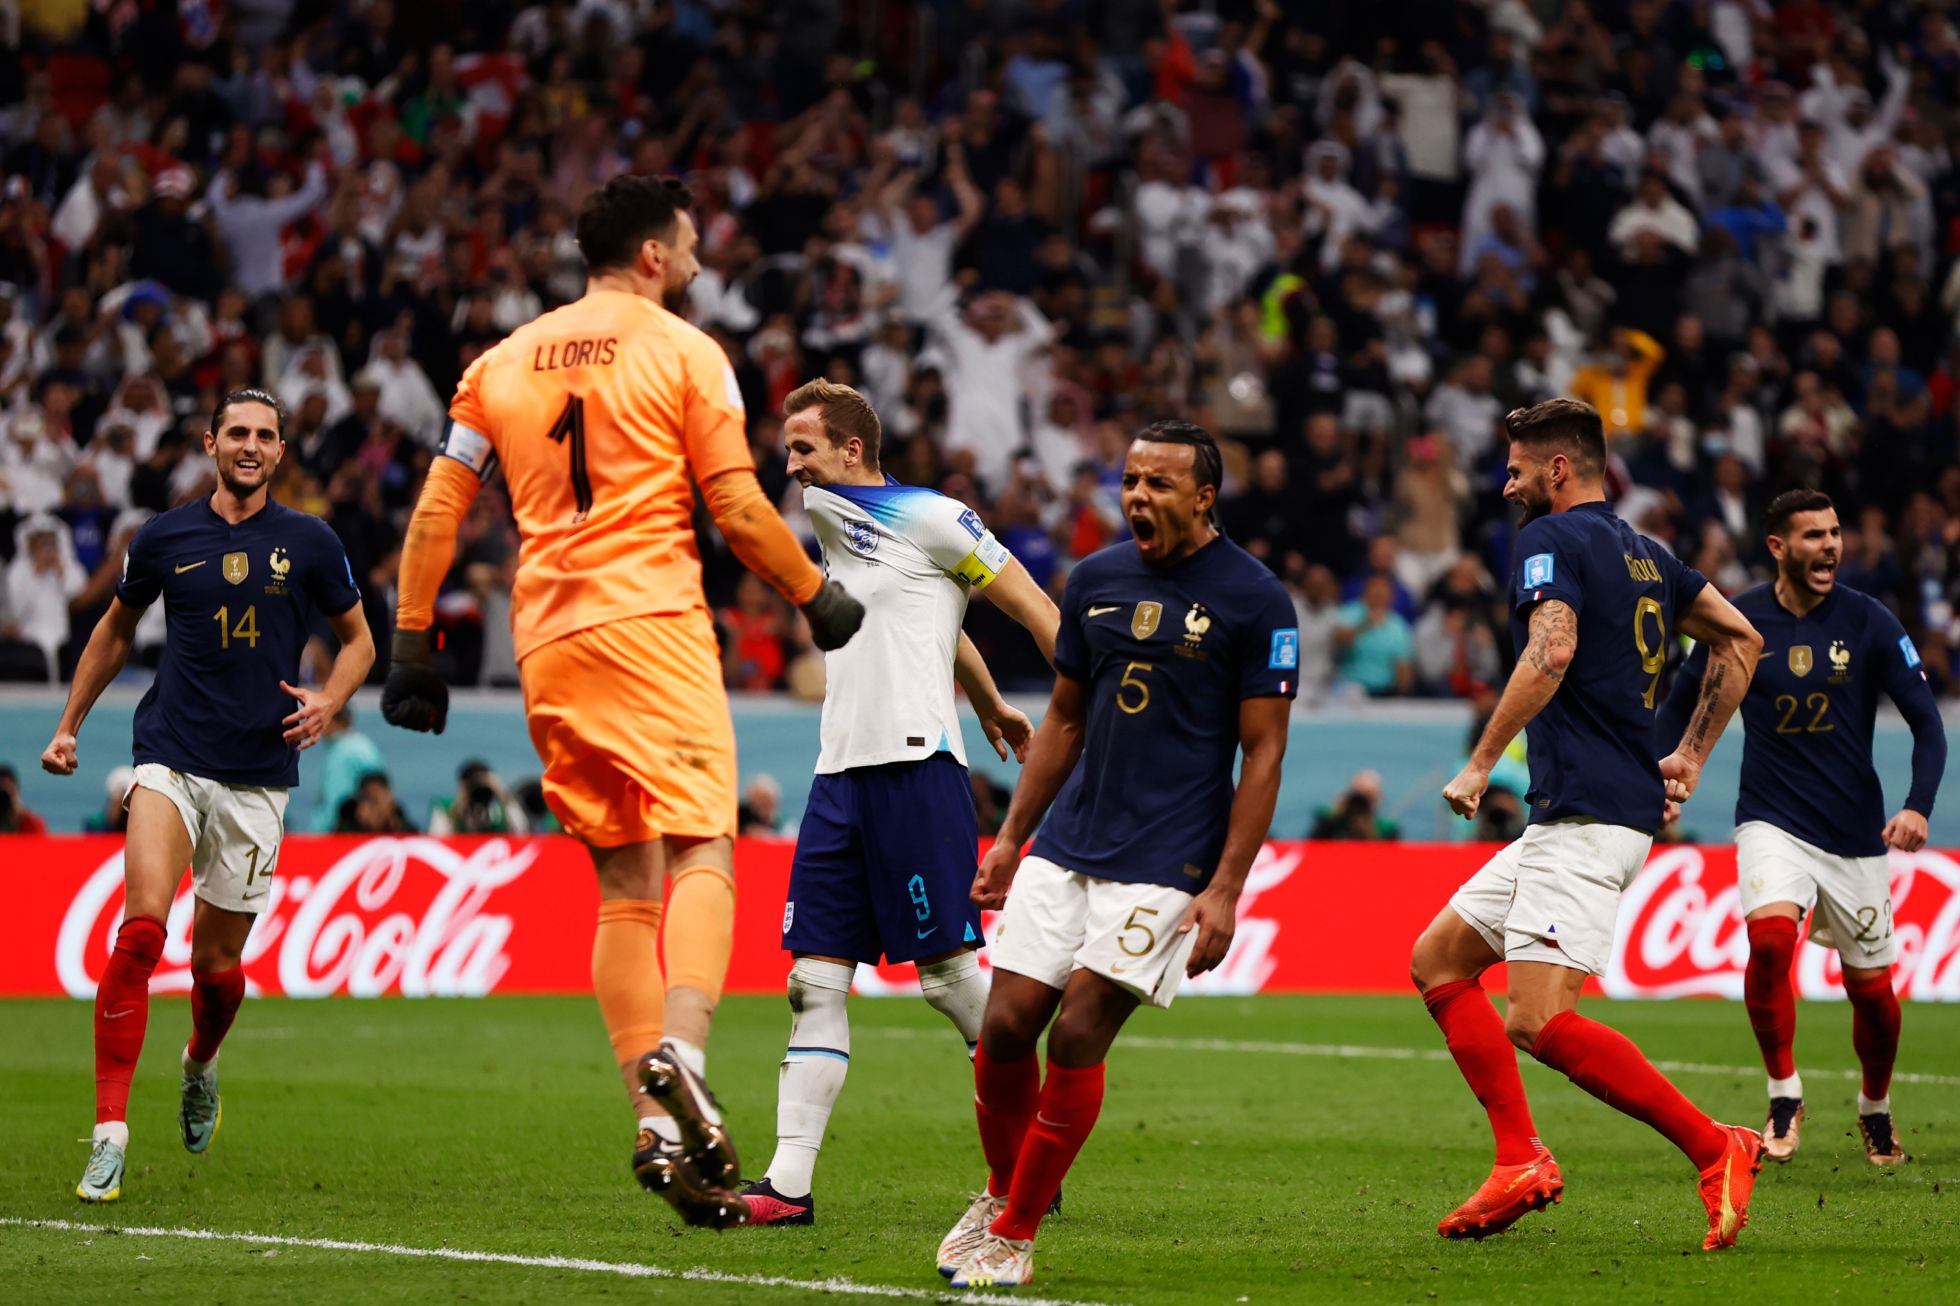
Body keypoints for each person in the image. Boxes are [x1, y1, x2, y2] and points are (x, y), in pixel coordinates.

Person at [378, 174, 865, 1230]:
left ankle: (655, 1126)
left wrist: (412, 640)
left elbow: (439, 504)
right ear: (650, 255)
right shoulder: (687, 351)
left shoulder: (498, 363)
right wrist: (814, 594)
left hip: (548, 639)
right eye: (686, 246)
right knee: (702, 843)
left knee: (621, 887)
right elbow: (736, 504)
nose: (696, 262)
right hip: (651, 622)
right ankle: (681, 1056)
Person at [937, 420, 1295, 1287]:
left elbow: (1264, 753)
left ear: (1203, 498)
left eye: (1158, 484)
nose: (1137, 496)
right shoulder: (1095, 581)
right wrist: (1012, 838)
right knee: (1004, 1028)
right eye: (1131, 480)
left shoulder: (1256, 599)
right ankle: (999, 1191)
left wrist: (1226, 888)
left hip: (1172, 854)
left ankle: (1016, 1235)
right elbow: (1064, 720)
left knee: (1079, 1031)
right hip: (1071, 838)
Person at [1406, 399, 1765, 1250]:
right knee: (1439, 960)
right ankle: (1518, 1158)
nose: (1508, 485)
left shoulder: (1549, 540)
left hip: (1587, 819)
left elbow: (1552, 649)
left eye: (1517, 470)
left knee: (1537, 1019)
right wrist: (1689, 756)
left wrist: (1481, 760)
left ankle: (1715, 1146)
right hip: (1581, 816)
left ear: (1558, 469)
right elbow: (1741, 639)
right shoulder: (1651, 555)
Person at [39, 388, 374, 1202]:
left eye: (265, 435)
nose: (250, 445)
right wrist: (68, 724)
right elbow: (115, 630)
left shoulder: (311, 540)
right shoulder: (163, 536)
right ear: (210, 443)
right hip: (171, 756)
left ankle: (199, 1061)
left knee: (216, 968)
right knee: (141, 931)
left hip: (258, 776)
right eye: (236, 433)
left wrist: (329, 699)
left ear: (281, 450)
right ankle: (109, 1134)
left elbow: (361, 640)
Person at [739, 380, 1060, 1226]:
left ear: (852, 450)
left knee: (950, 982)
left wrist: (1096, 708)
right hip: (838, 779)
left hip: (916, 772)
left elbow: (1033, 608)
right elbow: (929, 619)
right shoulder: (833, 528)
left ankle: (1031, 1155)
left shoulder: (933, 516)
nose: (791, 466)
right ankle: (787, 1188)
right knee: (812, 982)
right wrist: (989, 701)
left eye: (804, 449)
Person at [1656, 489, 1946, 1167]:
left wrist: (1917, 805)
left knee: (1872, 993)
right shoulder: (1739, 620)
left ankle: (1875, 1107)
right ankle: (1783, 1094)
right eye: (1814, 535)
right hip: (1771, 818)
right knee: (1768, 943)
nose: (1831, 546)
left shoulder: (1869, 620)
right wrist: (1651, 777)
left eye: (1835, 533)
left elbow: (1928, 725)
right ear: (1778, 547)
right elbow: (1678, 703)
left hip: (1852, 831)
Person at [427, 758, 529, 835]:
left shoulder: (499, 811)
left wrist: (501, 792)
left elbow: (522, 832)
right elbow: (438, 838)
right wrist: (460, 804)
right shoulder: (445, 807)